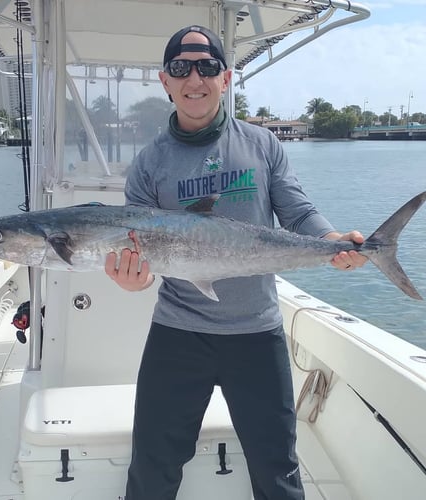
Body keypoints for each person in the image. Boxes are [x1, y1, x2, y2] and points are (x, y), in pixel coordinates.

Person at [105, 25, 366, 500]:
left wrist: (332, 241)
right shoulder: (148, 165)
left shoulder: (263, 145)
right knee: (152, 465)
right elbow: (141, 254)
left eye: (206, 68)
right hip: (178, 332)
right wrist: (133, 282)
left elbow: (298, 212)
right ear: (165, 81)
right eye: (181, 69)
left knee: (278, 467)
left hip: (257, 332)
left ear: (225, 79)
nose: (195, 79)